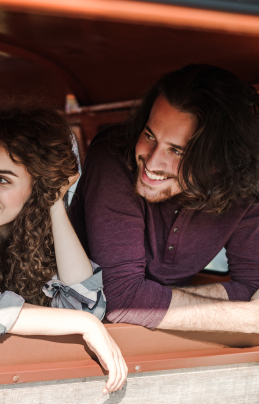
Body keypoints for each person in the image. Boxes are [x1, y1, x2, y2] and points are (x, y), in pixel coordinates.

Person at [0, 105, 127, 394]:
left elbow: (85, 303)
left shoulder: (34, 232)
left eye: (2, 179)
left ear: (36, 188)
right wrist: (85, 325)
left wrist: (53, 201)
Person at [69, 64, 259, 332]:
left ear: (219, 161)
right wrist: (245, 319)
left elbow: (253, 286)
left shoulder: (246, 182)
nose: (152, 162)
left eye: (177, 151)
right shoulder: (113, 157)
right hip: (84, 327)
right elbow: (123, 299)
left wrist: (152, 297)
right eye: (149, 135)